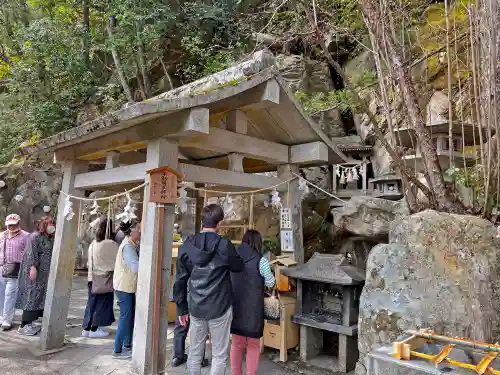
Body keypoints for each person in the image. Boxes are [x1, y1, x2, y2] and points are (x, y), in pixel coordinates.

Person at [173, 204, 244, 375]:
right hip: (220, 306)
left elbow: (180, 280)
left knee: (195, 353)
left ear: (202, 222)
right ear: (219, 224)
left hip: (195, 307)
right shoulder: (224, 245)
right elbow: (238, 266)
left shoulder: (187, 246)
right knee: (219, 355)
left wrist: (181, 308)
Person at [230, 230, 276, 375]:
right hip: (254, 310)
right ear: (258, 243)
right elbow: (270, 282)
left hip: (235, 308)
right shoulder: (261, 261)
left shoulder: (233, 257)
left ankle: (236, 373)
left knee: (236, 344)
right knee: (253, 345)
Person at [16, 216, 56, 335]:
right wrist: (33, 267)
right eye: (49, 224)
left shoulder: (48, 238)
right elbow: (30, 253)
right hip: (35, 273)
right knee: (31, 296)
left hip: (44, 275)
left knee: (39, 297)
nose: (52, 226)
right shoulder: (35, 237)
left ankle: (32, 322)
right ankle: (25, 325)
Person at [81, 216, 119, 338]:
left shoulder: (93, 243)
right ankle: (95, 328)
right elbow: (117, 260)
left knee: (91, 303)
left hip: (92, 277)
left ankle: (86, 328)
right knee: (102, 303)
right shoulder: (110, 244)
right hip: (104, 278)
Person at [113, 219, 140, 359]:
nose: (140, 231)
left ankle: (127, 345)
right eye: (138, 229)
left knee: (129, 316)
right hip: (124, 287)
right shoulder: (128, 247)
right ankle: (117, 350)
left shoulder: (132, 244)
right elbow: (135, 267)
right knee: (125, 317)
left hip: (127, 286)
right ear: (131, 231)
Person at [0, 214, 30, 331]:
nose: (11, 227)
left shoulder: (26, 236)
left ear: (18, 224)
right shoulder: (2, 236)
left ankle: (7, 319)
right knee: (1, 294)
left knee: (9, 294)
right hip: (1, 268)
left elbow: (30, 253)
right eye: (9, 225)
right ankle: (1, 316)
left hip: (16, 269)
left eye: (13, 225)